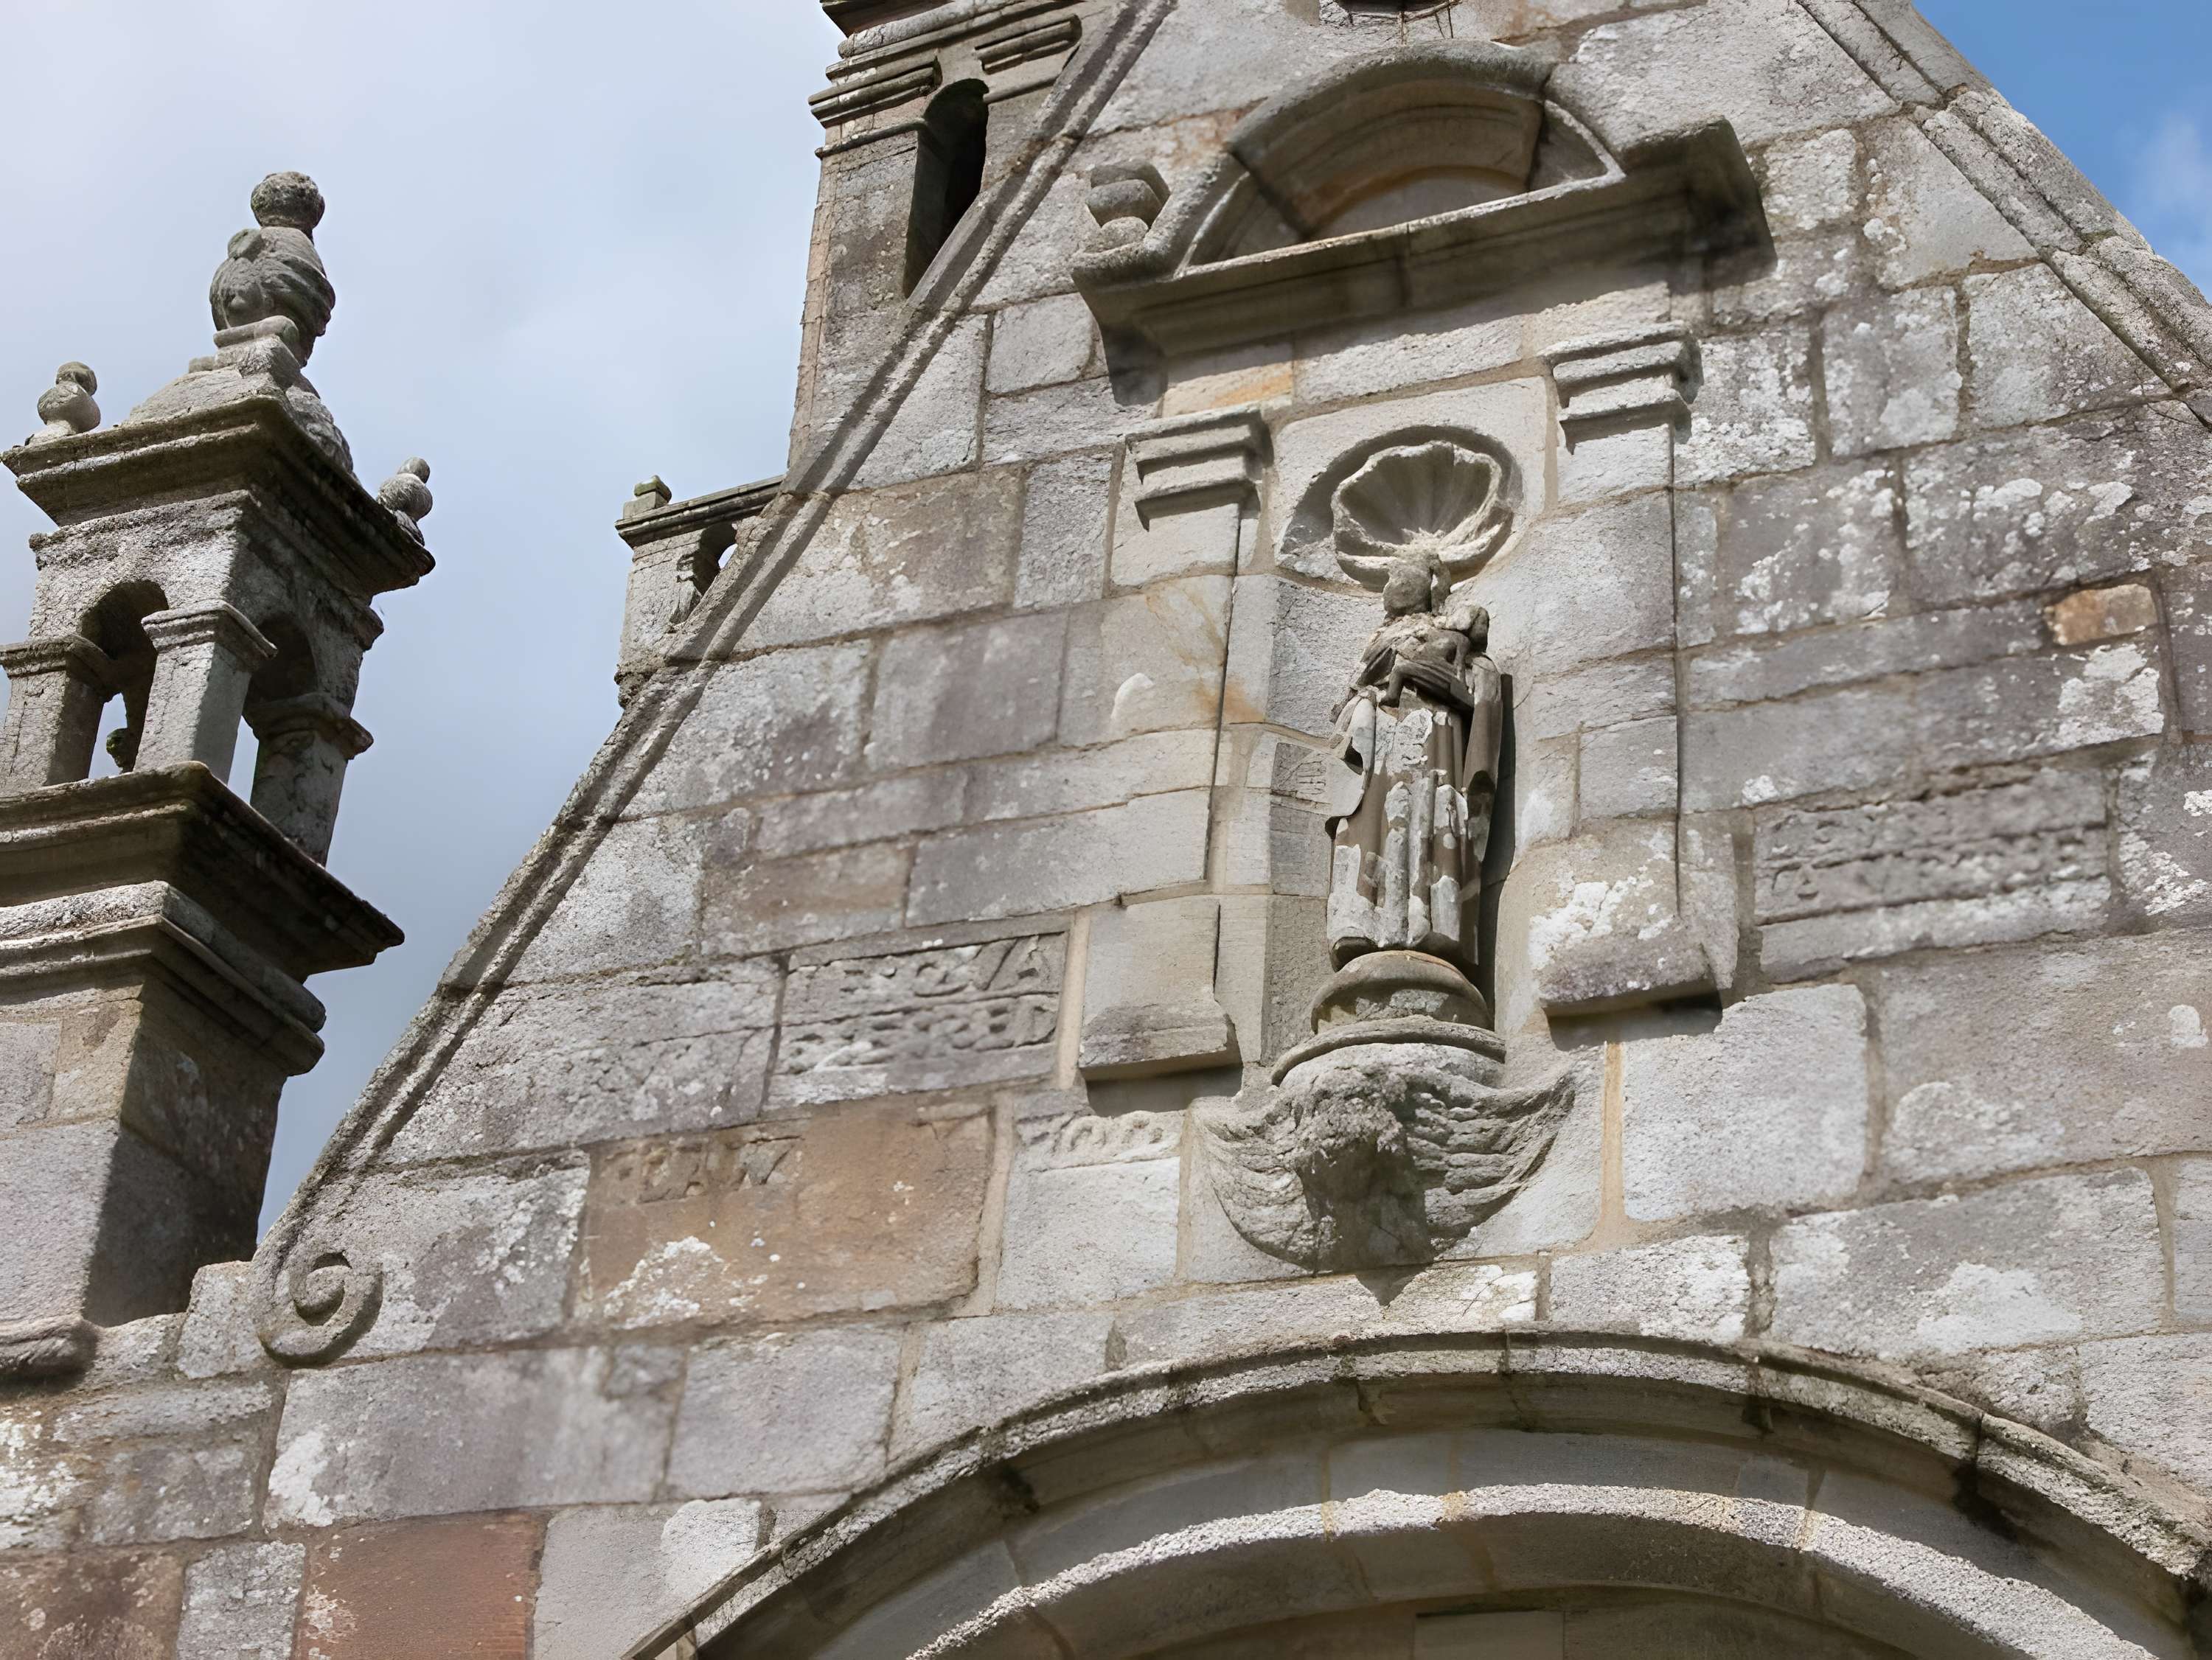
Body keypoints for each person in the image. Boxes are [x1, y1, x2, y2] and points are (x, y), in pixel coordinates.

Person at [1324, 550, 1502, 981]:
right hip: (1378, 736)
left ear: (1431, 582)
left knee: (1426, 813)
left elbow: (1480, 694)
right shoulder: (1377, 643)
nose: (1389, 585)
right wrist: (1361, 706)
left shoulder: (1451, 636)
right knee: (1369, 821)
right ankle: (1363, 922)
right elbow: (1345, 704)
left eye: (1399, 574)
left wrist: (1430, 678)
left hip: (1433, 735)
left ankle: (1432, 922)